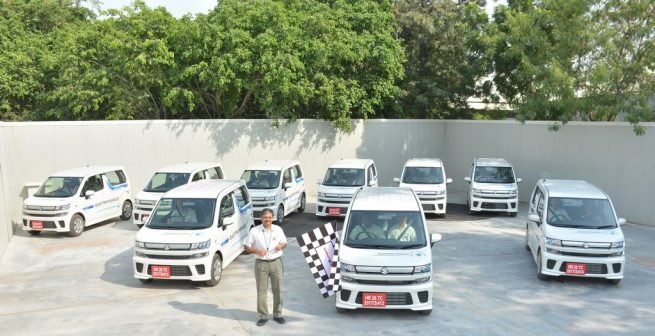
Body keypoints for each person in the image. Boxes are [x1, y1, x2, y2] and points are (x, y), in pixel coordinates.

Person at [244, 208, 288, 327]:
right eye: (265, 217)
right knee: (262, 290)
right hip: (261, 264)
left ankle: (278, 314)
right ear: (261, 218)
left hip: (276, 262)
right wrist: (257, 251)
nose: (268, 220)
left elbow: (285, 242)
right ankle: (263, 316)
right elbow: (246, 247)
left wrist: (281, 246)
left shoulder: (278, 229)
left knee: (277, 289)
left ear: (272, 218)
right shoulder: (254, 231)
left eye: (269, 217)